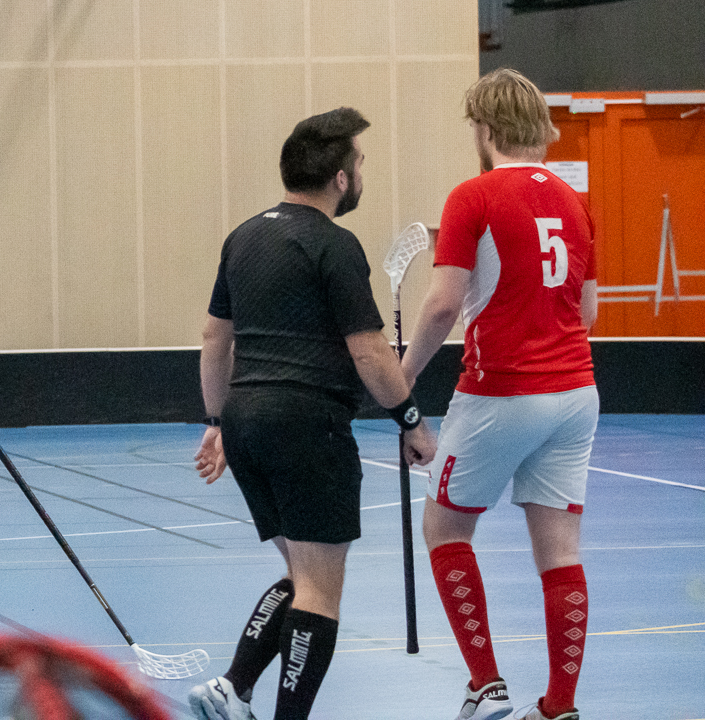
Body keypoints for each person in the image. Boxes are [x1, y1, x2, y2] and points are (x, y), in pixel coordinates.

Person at [189, 107, 437, 720]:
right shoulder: (334, 244)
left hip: (245, 421)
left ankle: (231, 689)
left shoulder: (243, 237)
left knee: (303, 572)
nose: (361, 175)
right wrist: (410, 420)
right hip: (307, 425)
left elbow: (215, 340)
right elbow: (369, 351)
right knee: (321, 589)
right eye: (360, 164)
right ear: (341, 178)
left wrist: (217, 423)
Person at [400, 68, 598, 720]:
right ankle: (560, 705)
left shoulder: (473, 196)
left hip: (501, 392)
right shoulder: (575, 202)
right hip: (576, 392)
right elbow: (588, 313)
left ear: (485, 129)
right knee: (560, 552)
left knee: (445, 527)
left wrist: (402, 378)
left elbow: (442, 305)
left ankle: (486, 686)